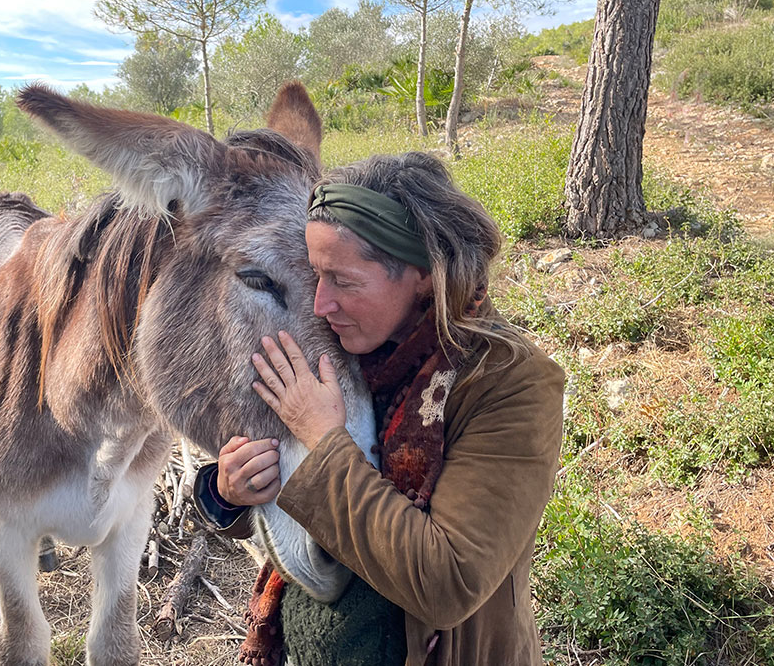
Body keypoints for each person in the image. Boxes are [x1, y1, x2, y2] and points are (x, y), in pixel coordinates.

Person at [193, 151, 564, 666]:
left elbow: (448, 582)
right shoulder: (345, 346)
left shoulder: (511, 385)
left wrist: (325, 441)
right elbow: (293, 500)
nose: (320, 304)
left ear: (424, 275)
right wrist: (228, 492)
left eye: (343, 280)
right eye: (315, 275)